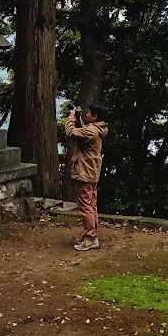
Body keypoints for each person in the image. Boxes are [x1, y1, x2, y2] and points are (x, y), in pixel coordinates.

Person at [65, 102, 108, 252]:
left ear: (95, 117)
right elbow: (83, 131)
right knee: (92, 205)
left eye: (89, 113)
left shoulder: (91, 132)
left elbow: (71, 133)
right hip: (91, 173)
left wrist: (71, 117)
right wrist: (79, 119)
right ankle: (92, 236)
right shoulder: (98, 129)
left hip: (85, 173)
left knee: (85, 207)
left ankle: (90, 238)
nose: (87, 115)